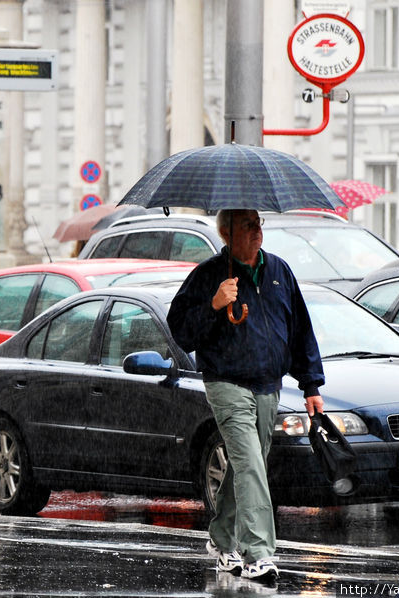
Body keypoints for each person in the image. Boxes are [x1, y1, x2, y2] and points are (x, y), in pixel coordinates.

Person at [166, 208, 325, 582]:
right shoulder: (209, 276)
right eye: (248, 226)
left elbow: (300, 329)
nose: (257, 232)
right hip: (226, 383)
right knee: (251, 465)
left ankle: (222, 539)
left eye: (259, 224)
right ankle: (260, 554)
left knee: (244, 467)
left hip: (269, 384)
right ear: (227, 233)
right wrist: (214, 305)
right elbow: (182, 332)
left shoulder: (279, 272)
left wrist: (311, 385)